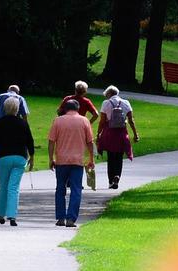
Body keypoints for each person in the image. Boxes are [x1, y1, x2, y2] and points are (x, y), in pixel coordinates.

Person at [0, 95, 35, 225]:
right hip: (19, 158)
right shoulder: (23, 123)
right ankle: (12, 216)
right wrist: (32, 157)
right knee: (14, 187)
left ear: (4, 108)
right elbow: (30, 140)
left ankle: (0, 214)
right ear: (17, 109)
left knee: (4, 186)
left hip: (3, 157)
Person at [47, 99, 95, 227]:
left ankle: (60, 217)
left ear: (65, 109)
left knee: (60, 189)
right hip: (77, 161)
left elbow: (51, 141)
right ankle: (71, 218)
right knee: (76, 189)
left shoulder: (58, 121)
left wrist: (51, 158)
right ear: (78, 108)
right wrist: (91, 159)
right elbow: (90, 142)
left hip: (61, 161)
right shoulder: (84, 121)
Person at [96, 85, 140, 189]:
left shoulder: (106, 103)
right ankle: (117, 176)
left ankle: (111, 181)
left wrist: (98, 134)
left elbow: (102, 121)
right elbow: (131, 120)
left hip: (109, 133)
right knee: (119, 157)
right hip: (121, 133)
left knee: (111, 157)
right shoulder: (126, 103)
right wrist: (135, 134)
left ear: (109, 94)